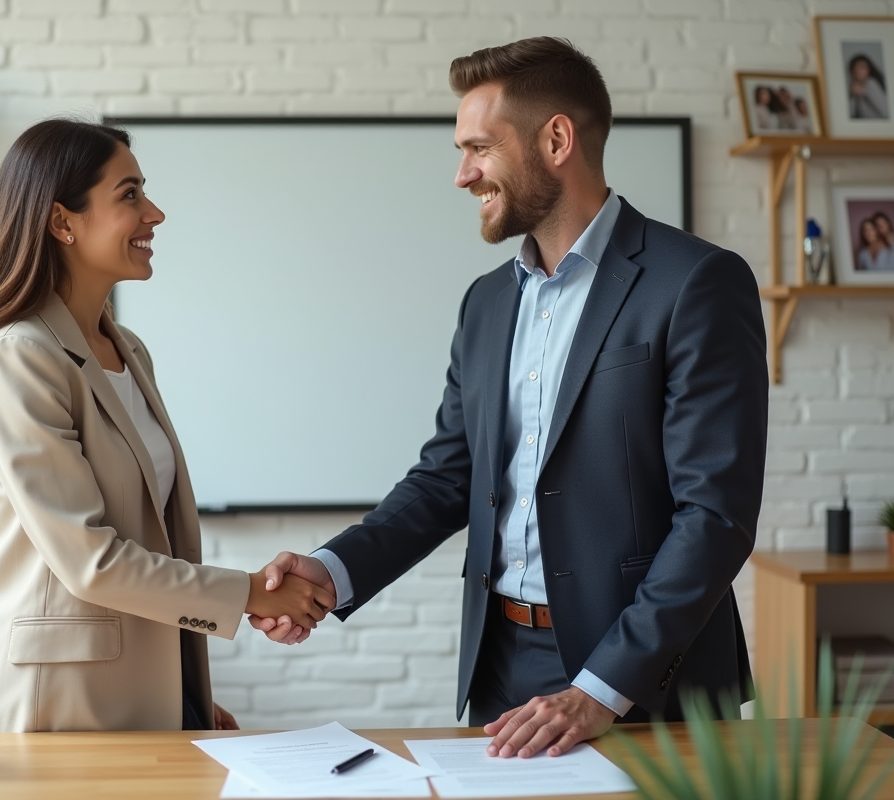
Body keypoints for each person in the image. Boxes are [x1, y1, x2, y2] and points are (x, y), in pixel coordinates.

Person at [252, 38, 767, 759]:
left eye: (479, 148)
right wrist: (332, 575)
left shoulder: (697, 283)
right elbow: (447, 477)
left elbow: (715, 516)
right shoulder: (488, 302)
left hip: (646, 680)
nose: (462, 175)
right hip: (501, 670)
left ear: (556, 139)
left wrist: (599, 687)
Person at [0, 120, 335, 733]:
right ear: (63, 222)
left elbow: (149, 540)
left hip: (138, 695)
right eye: (130, 195)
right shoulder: (22, 355)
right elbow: (90, 561)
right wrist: (252, 592)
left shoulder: (129, 351)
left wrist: (185, 698)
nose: (155, 213)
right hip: (55, 708)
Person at [848, 54, 889, 120]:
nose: (858, 71)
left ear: (869, 70)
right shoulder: (856, 87)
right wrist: (853, 95)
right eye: (855, 68)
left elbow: (885, 111)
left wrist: (864, 92)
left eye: (862, 68)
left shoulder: (871, 83)